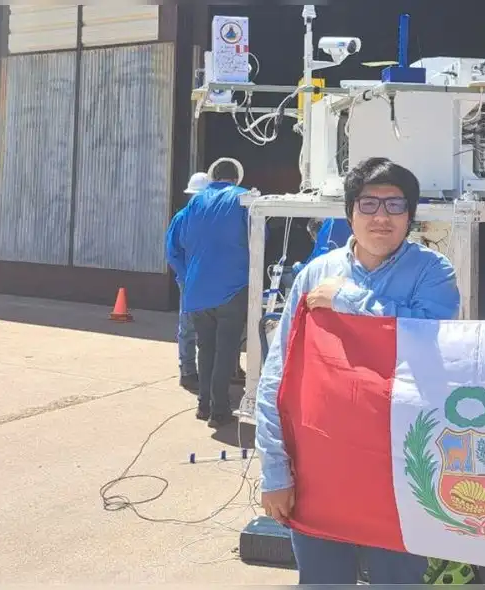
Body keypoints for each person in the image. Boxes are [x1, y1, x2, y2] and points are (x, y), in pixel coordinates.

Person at [256, 157, 460, 585]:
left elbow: (429, 344)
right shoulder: (315, 273)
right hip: (321, 467)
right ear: (349, 213)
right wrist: (275, 469)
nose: (381, 217)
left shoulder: (433, 273)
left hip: (401, 466)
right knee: (323, 579)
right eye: (368, 204)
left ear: (412, 215)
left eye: (394, 205)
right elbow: (278, 374)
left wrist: (351, 302)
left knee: (398, 579)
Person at [165, 161, 250, 428]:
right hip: (231, 289)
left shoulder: (193, 205)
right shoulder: (243, 199)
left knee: (207, 347)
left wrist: (186, 277)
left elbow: (176, 247)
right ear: (237, 178)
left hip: (197, 290)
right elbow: (260, 237)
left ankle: (204, 405)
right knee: (226, 349)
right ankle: (220, 410)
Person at [175, 172, 210, 392]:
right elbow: (173, 251)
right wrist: (187, 275)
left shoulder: (213, 218)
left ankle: (221, 368)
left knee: (215, 327)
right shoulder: (182, 218)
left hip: (210, 279)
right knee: (188, 325)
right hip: (191, 279)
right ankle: (188, 371)